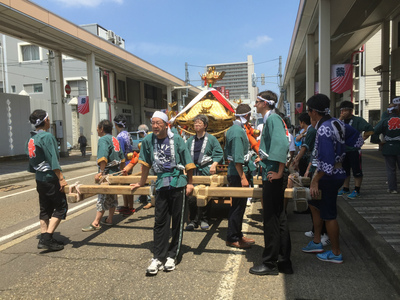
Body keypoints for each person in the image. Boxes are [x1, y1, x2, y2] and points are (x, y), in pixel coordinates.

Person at [130, 111, 195, 276]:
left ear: (166, 125)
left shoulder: (177, 139)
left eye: (158, 123)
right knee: (160, 222)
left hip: (178, 182)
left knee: (178, 222)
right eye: (153, 123)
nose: (155, 126)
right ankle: (158, 256)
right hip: (161, 184)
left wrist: (190, 183)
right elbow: (144, 163)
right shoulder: (148, 140)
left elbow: (187, 161)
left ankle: (172, 255)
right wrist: (141, 182)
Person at [301, 94, 363, 264]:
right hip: (337, 172)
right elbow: (357, 139)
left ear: (313, 111)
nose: (308, 114)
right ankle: (316, 241)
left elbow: (326, 162)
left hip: (328, 176)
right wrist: (343, 152)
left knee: (329, 214)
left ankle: (336, 252)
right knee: (315, 205)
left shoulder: (324, 129)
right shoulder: (336, 122)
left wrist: (315, 179)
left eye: (308, 111)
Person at [249, 91, 292, 276]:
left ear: (265, 103)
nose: (255, 104)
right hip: (273, 173)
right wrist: (263, 160)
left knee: (271, 220)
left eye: (257, 101)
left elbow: (282, 144)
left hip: (273, 176)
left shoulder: (272, 119)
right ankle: (284, 261)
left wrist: (280, 172)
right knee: (279, 218)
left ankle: (270, 263)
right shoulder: (273, 119)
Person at [26, 109, 68, 251]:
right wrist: (61, 179)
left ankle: (44, 236)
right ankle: (47, 238)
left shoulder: (31, 138)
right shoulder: (47, 137)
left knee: (44, 208)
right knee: (61, 207)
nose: (50, 121)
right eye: (48, 118)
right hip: (50, 178)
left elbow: (31, 161)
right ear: (45, 120)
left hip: (39, 178)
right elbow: (53, 160)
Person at [82, 119, 125, 231]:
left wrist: (101, 172)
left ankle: (96, 222)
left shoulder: (103, 140)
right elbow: (122, 157)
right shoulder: (115, 139)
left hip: (107, 173)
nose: (97, 130)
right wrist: (122, 170)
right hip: (116, 172)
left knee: (102, 197)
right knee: (113, 196)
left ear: (101, 129)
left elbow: (103, 157)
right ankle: (110, 219)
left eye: (97, 128)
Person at [224, 104, 256, 249]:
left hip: (239, 172)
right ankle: (232, 237)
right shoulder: (237, 131)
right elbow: (237, 158)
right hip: (238, 173)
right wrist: (243, 177)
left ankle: (238, 234)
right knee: (237, 206)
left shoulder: (238, 128)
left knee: (240, 206)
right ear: (247, 116)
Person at [185, 114, 224, 231]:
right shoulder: (190, 140)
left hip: (205, 170)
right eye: (195, 123)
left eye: (199, 123)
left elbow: (218, 153)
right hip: (192, 171)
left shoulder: (211, 139)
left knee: (204, 195)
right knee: (191, 196)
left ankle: (204, 219)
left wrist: (214, 164)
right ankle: (193, 220)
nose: (196, 125)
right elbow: (185, 154)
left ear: (205, 125)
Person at [337, 101, 374, 198]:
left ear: (350, 110)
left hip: (354, 150)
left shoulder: (358, 120)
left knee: (356, 170)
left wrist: (361, 139)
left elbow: (370, 129)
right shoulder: (340, 121)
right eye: (342, 110)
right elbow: (334, 129)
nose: (343, 112)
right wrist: (341, 118)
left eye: (345, 110)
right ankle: (345, 188)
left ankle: (357, 189)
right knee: (344, 170)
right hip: (343, 150)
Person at [371, 97, 400, 194]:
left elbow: (374, 132)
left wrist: (379, 142)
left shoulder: (385, 121)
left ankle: (392, 188)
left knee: (391, 169)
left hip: (388, 147)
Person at [114, 114, 135, 215]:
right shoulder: (127, 134)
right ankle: (128, 205)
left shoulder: (120, 136)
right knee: (128, 184)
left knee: (125, 185)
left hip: (124, 163)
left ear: (116, 124)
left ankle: (129, 206)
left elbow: (120, 152)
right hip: (129, 161)